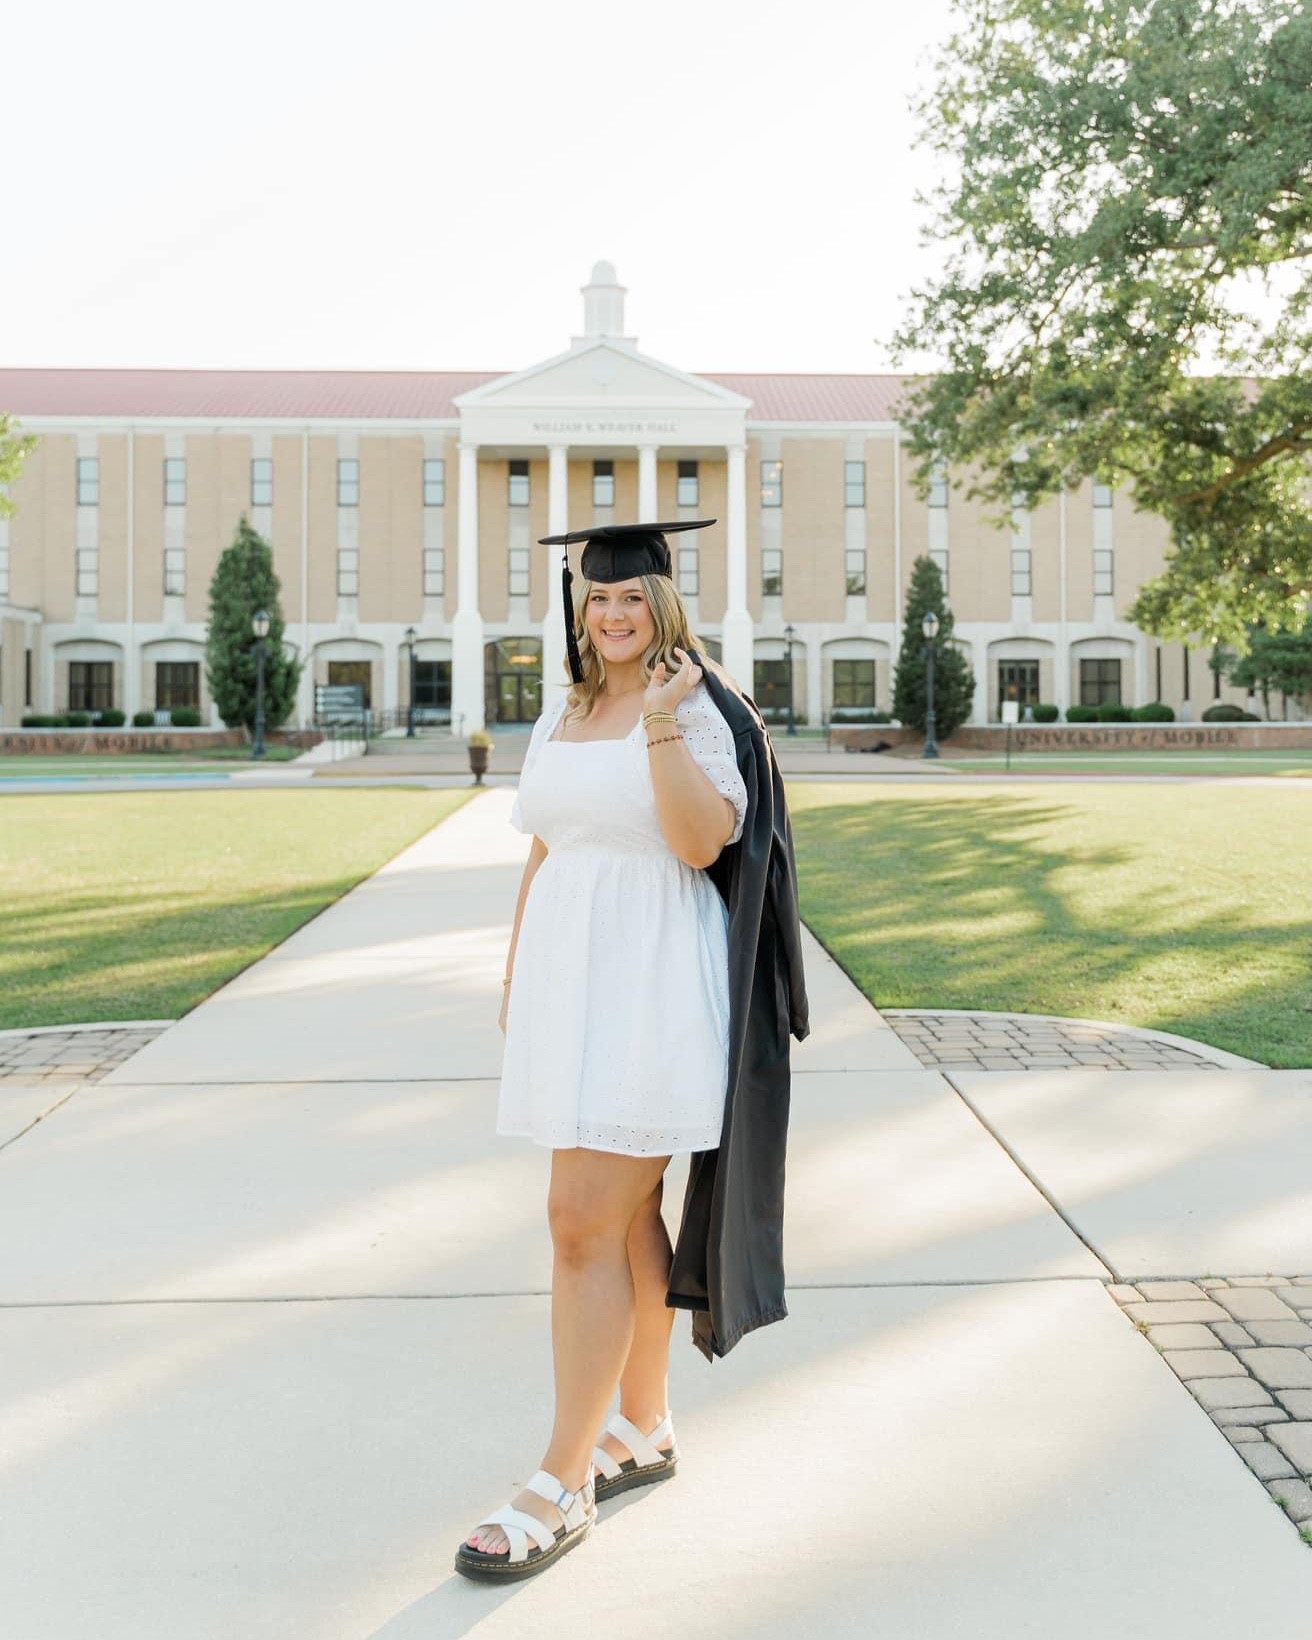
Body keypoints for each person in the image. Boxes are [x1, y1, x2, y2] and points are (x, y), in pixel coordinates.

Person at [454, 519, 808, 1584]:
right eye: (596, 599)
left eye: (630, 598)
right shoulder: (565, 708)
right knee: (620, 1216)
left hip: (654, 987)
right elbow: (545, 842)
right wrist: (522, 974)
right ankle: (643, 1425)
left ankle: (560, 1481)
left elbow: (703, 844)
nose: (611, 614)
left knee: (575, 1224)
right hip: (573, 987)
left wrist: (659, 722)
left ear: (663, 603)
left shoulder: (700, 708)